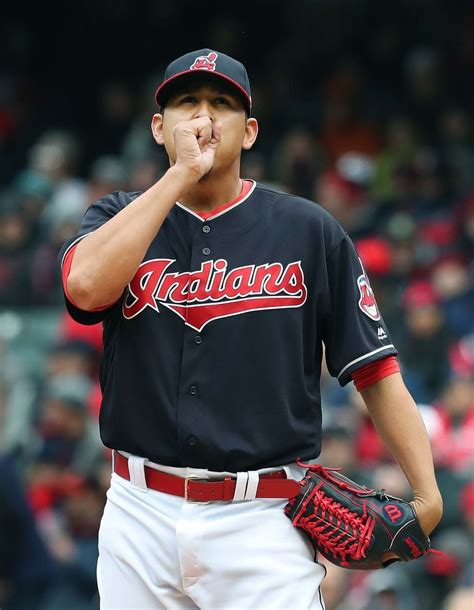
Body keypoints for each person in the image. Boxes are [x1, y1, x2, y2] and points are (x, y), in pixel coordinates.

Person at [58, 49, 443, 609]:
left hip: (262, 520)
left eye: (222, 104)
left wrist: (427, 494)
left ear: (251, 131)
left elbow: (376, 371)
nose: (204, 118)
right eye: (187, 103)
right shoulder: (116, 217)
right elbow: (86, 288)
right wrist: (181, 174)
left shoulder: (309, 231)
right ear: (159, 128)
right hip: (138, 514)